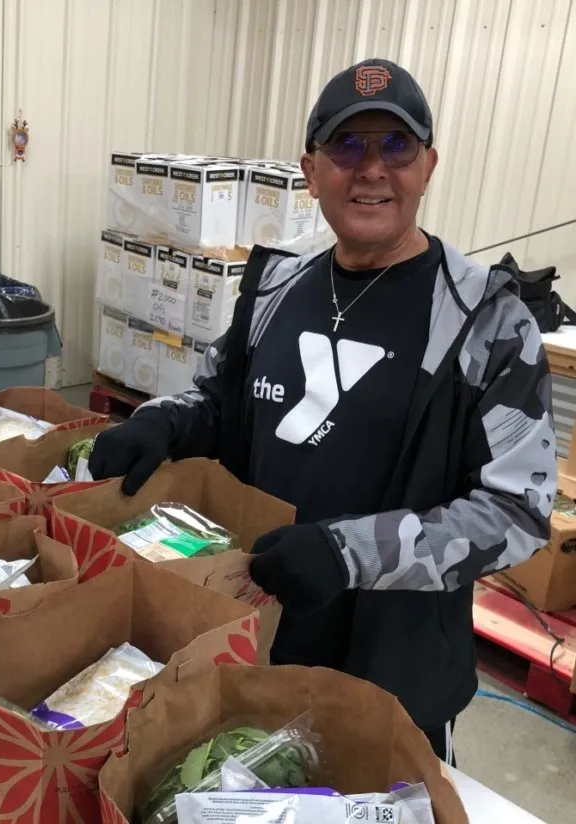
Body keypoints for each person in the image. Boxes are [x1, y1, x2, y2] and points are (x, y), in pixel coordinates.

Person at [89, 58, 556, 763]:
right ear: (311, 171)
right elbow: (220, 396)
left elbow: (517, 511)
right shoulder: (276, 286)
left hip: (391, 679)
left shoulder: (486, 322)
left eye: (396, 146)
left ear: (428, 165)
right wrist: (163, 421)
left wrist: (348, 553)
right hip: (252, 639)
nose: (372, 169)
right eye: (347, 147)